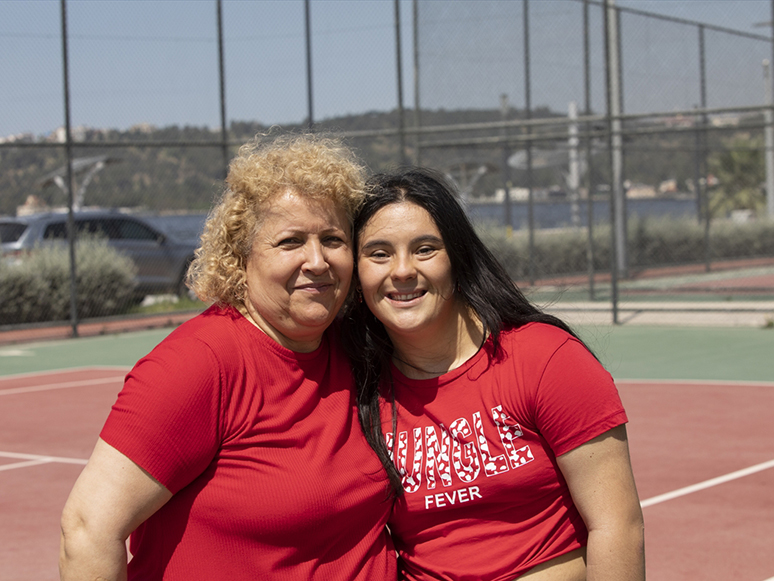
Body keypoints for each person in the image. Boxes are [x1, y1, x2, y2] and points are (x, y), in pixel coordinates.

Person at [59, 134, 397, 581]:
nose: (317, 260)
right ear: (241, 257)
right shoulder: (199, 363)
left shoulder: (358, 347)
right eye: (290, 241)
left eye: (333, 239)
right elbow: (87, 531)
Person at [341, 167, 645, 580]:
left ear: (457, 256)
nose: (402, 271)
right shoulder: (355, 386)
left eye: (425, 249)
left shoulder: (545, 358)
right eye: (379, 253)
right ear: (356, 276)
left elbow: (617, 528)